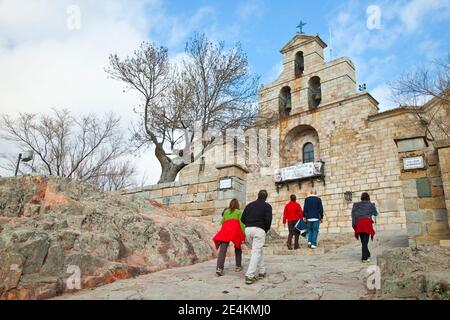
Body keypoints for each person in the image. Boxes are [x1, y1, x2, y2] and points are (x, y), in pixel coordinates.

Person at [241, 190, 273, 285]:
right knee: (256, 251)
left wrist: (249, 224)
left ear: (257, 195)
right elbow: (268, 220)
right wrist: (265, 229)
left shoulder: (249, 205)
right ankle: (250, 276)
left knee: (258, 250)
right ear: (266, 197)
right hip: (259, 230)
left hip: (248, 230)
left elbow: (243, 218)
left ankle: (262, 271)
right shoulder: (267, 206)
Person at [213, 199, 246, 276]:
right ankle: (238, 266)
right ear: (238, 205)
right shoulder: (239, 212)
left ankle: (219, 268)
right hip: (235, 231)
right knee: (237, 247)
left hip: (226, 230)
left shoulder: (226, 212)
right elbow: (242, 224)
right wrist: (244, 233)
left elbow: (222, 222)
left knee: (222, 250)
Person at [351, 192, 377, 263]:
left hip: (359, 224)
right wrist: (374, 207)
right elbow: (375, 213)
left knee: (363, 241)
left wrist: (354, 225)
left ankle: (367, 254)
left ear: (361, 198)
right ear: (368, 198)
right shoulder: (370, 204)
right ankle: (364, 258)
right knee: (365, 241)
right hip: (366, 223)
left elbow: (353, 215)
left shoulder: (356, 205)